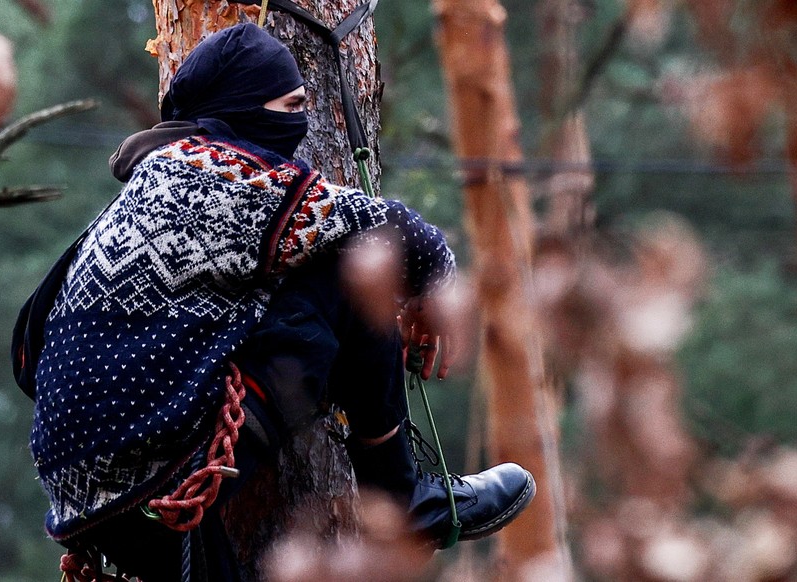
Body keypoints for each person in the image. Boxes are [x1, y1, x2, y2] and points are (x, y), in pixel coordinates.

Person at [29, 22, 535, 581]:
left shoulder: (145, 190)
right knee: (352, 268)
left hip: (87, 495)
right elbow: (395, 232)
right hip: (155, 471)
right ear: (243, 107)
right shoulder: (206, 174)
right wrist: (433, 288)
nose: (301, 124)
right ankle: (401, 499)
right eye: (290, 105)